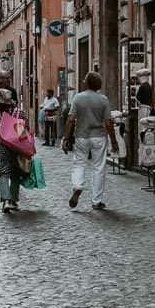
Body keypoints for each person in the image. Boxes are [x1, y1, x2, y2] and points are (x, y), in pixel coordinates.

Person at [65, 71, 118, 211]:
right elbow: (108, 122)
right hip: (99, 136)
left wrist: (66, 138)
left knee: (79, 163)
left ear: (86, 83)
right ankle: (96, 201)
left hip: (82, 136)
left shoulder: (78, 98)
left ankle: (77, 186)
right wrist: (114, 141)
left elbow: (70, 120)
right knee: (98, 167)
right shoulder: (103, 100)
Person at [0, 75, 29, 214]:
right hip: (15, 147)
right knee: (16, 174)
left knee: (3, 174)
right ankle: (14, 200)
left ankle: (6, 200)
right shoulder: (19, 114)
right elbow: (23, 133)